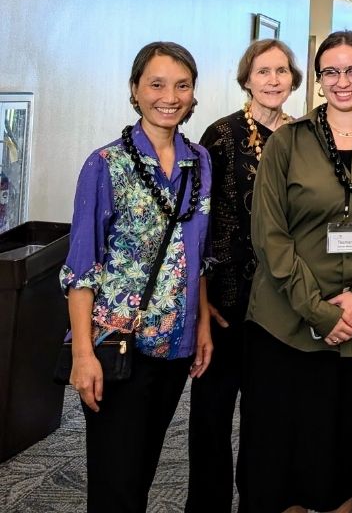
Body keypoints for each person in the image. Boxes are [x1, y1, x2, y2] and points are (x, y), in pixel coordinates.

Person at [240, 30, 352, 513]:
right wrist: (319, 311)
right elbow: (269, 237)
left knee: (335, 459)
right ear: (318, 80)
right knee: (278, 461)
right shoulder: (287, 143)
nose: (343, 81)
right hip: (284, 327)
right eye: (331, 71)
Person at [61, 41, 213, 513]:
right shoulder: (105, 164)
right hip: (116, 344)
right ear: (135, 90)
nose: (169, 96)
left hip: (175, 343)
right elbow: (81, 269)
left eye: (181, 85)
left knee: (144, 468)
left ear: (193, 95)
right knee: (115, 481)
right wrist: (83, 354)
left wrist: (203, 324)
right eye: (156, 84)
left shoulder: (200, 161)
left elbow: (197, 255)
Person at [186, 38, 303, 513]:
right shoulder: (222, 134)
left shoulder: (306, 135)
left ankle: (260, 500)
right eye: (263, 72)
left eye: (281, 71)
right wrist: (202, 299)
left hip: (282, 300)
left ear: (293, 79)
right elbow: (202, 222)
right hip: (227, 300)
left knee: (268, 414)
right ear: (246, 79)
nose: (273, 80)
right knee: (212, 413)